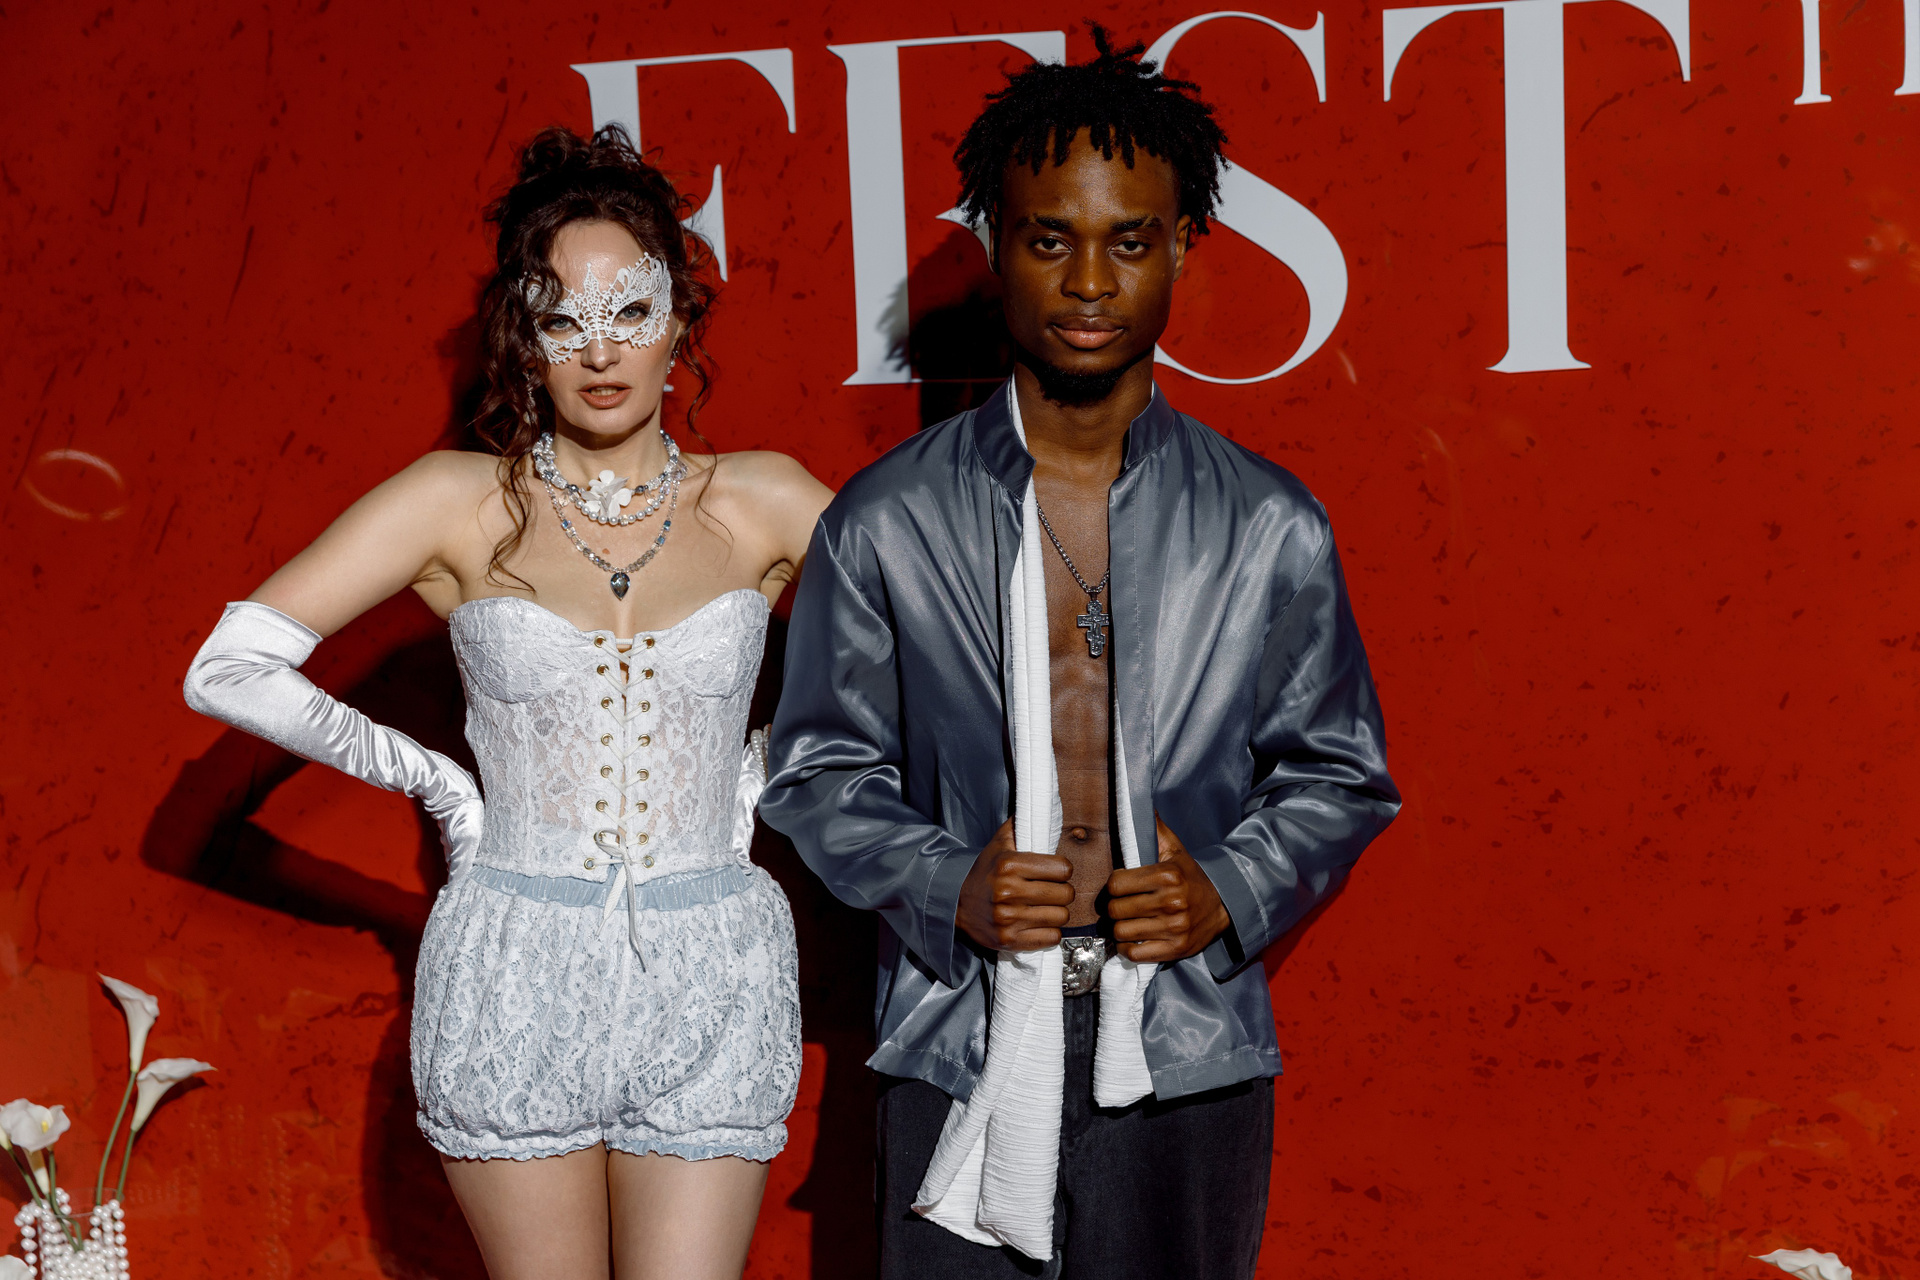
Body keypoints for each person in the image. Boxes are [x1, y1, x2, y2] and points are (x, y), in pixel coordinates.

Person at [761, 31, 1400, 1280]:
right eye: (1051, 240)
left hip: (1185, 1044)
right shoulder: (887, 519)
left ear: (1182, 246)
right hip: (959, 1036)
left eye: (1131, 241)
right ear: (997, 246)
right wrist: (948, 879)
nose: (1091, 281)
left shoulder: (1267, 522)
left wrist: (1230, 886)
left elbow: (1341, 774)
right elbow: (815, 773)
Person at [182, 125, 832, 1280]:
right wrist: (434, 781)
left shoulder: (762, 499)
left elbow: (943, 654)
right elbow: (227, 665)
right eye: (559, 317)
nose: (600, 347)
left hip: (713, 964)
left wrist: (764, 766)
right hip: (511, 969)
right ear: (522, 338)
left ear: (681, 318)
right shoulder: (459, 501)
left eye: (630, 310)